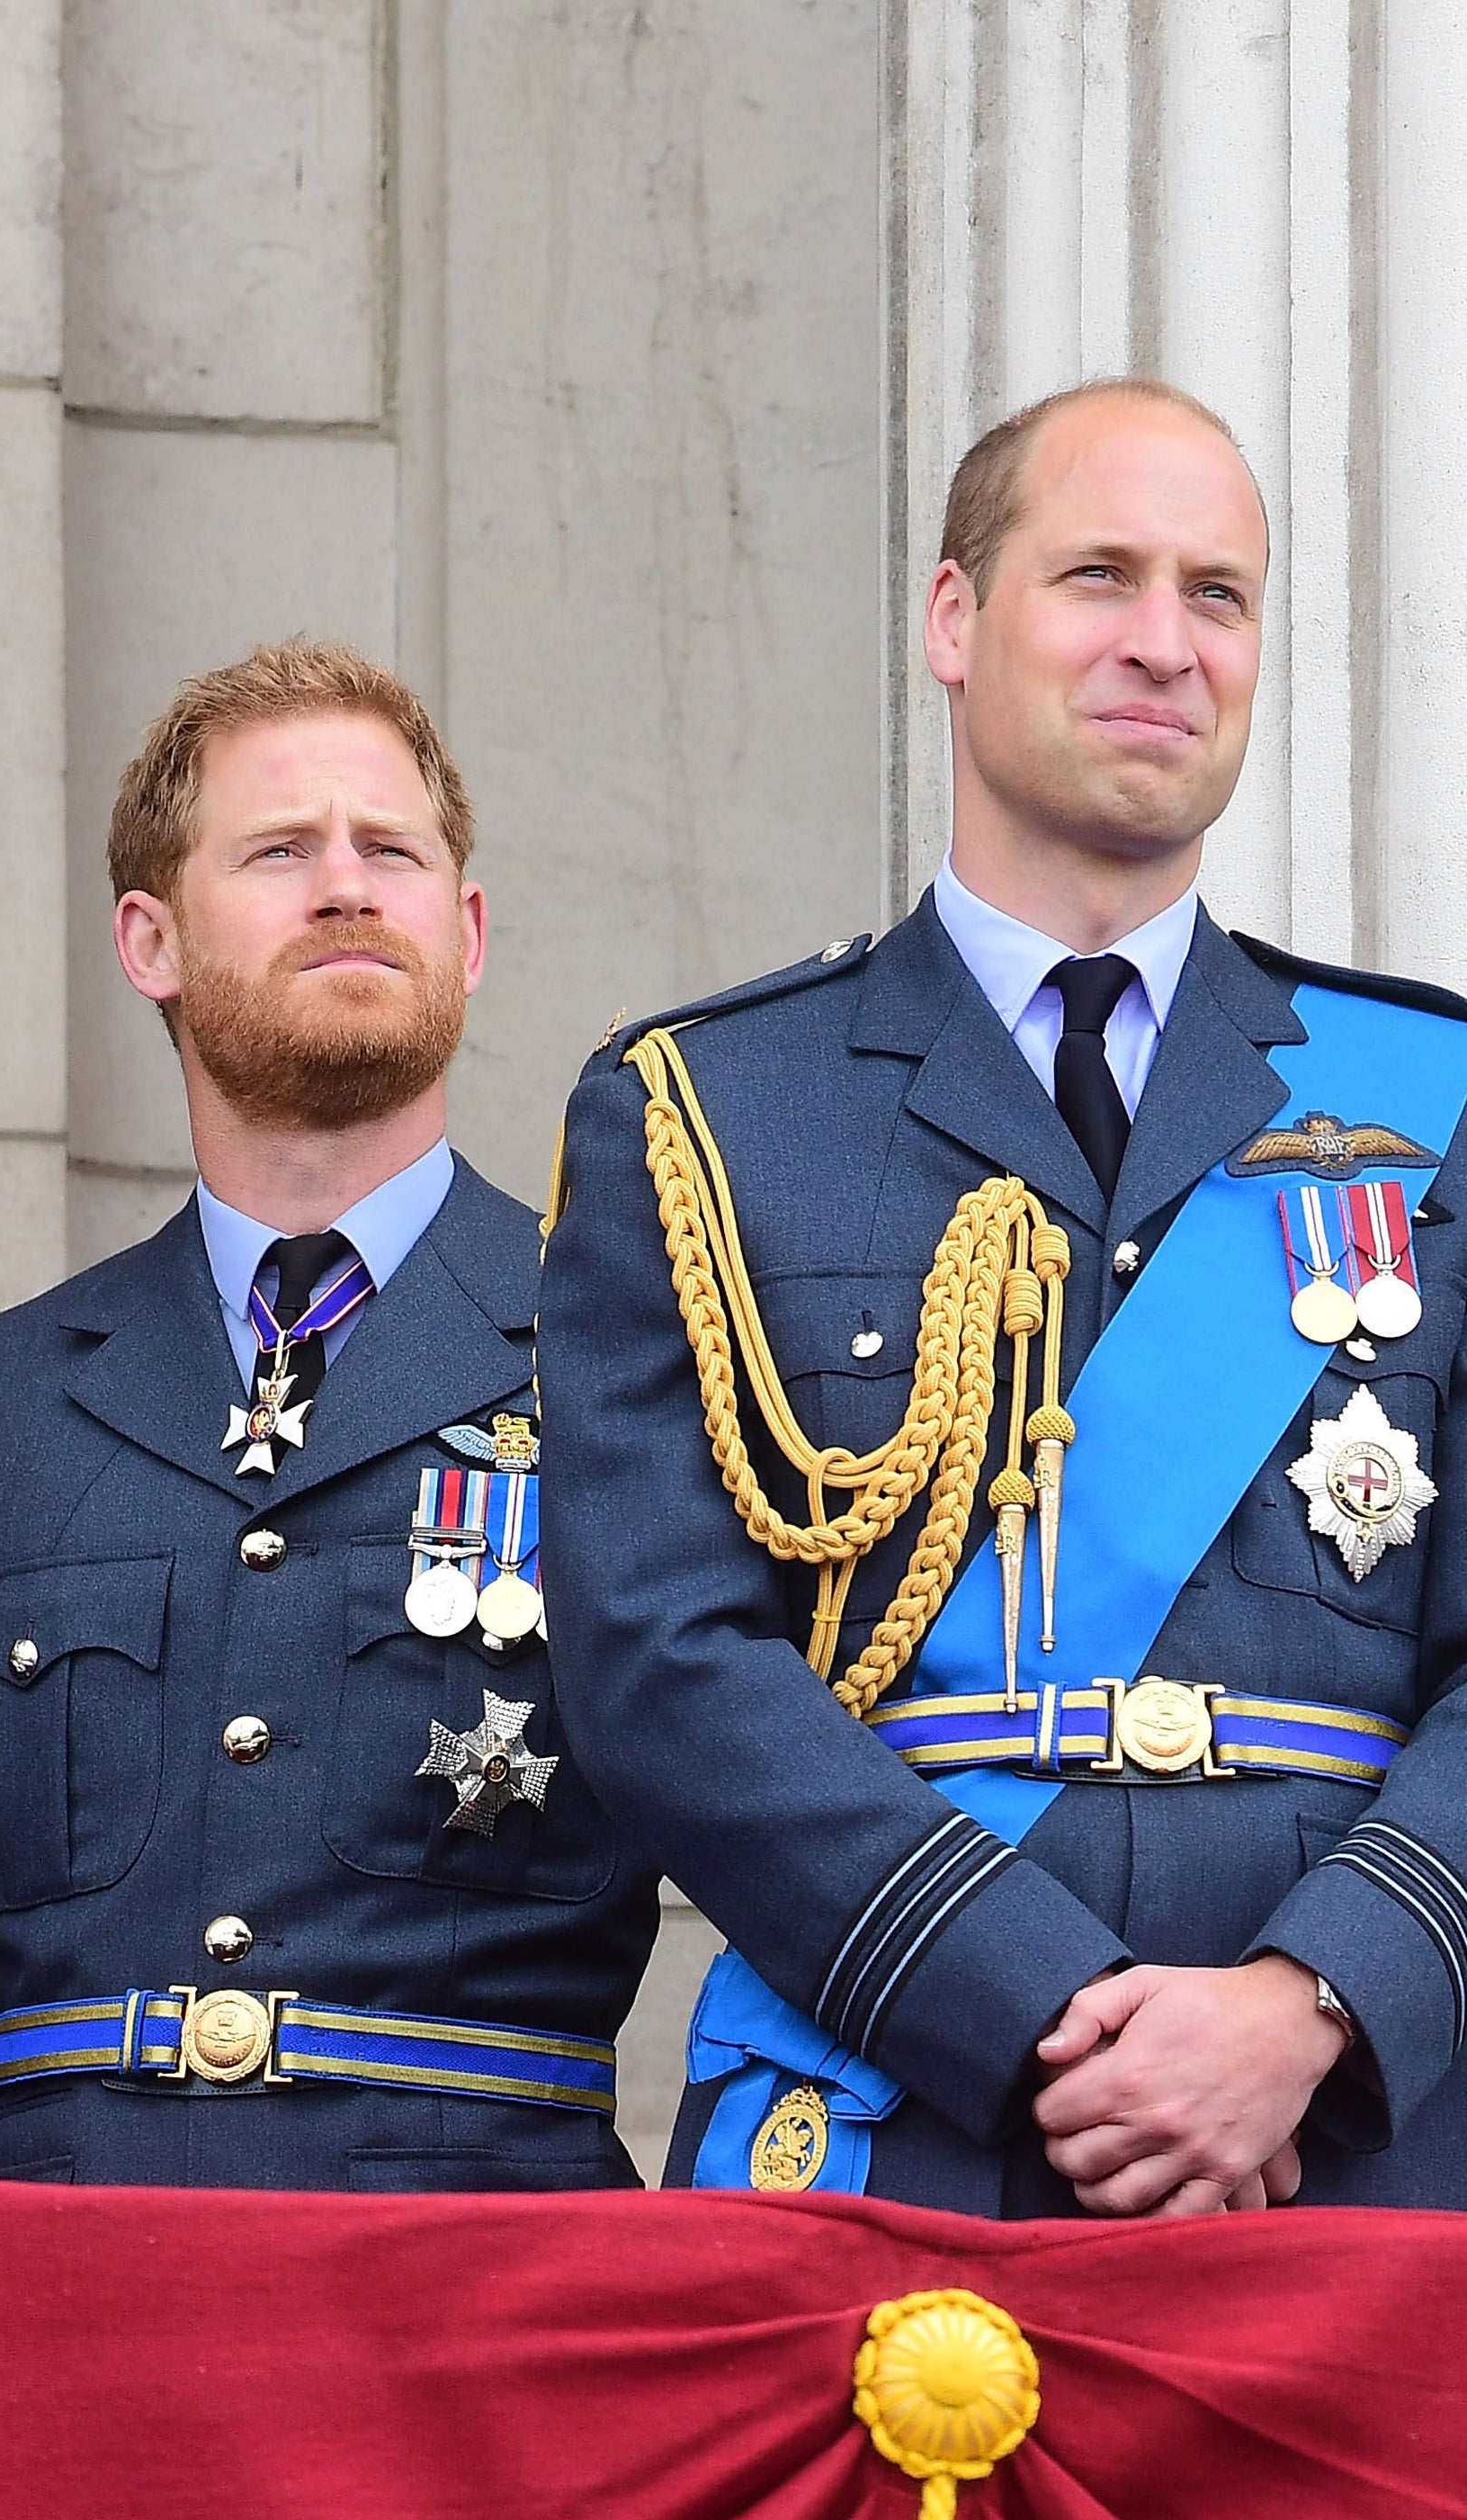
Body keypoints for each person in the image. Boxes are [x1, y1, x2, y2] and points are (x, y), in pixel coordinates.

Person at [538, 379, 1467, 2217]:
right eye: (1100, 575)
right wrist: (1052, 2007)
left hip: (1345, 2155)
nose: (1164, 644)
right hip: (910, 2121)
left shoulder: (1432, 1104)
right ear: (954, 622)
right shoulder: (709, 1111)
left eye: (1220, 594)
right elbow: (657, 1666)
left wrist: (1309, 2006)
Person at [0, 640, 656, 2191]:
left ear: (466, 932)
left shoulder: (636, 1363)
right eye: (280, 850)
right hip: (50, 2297)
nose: (346, 886)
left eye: (390, 851)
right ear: (148, 938)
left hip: (477, 2293)